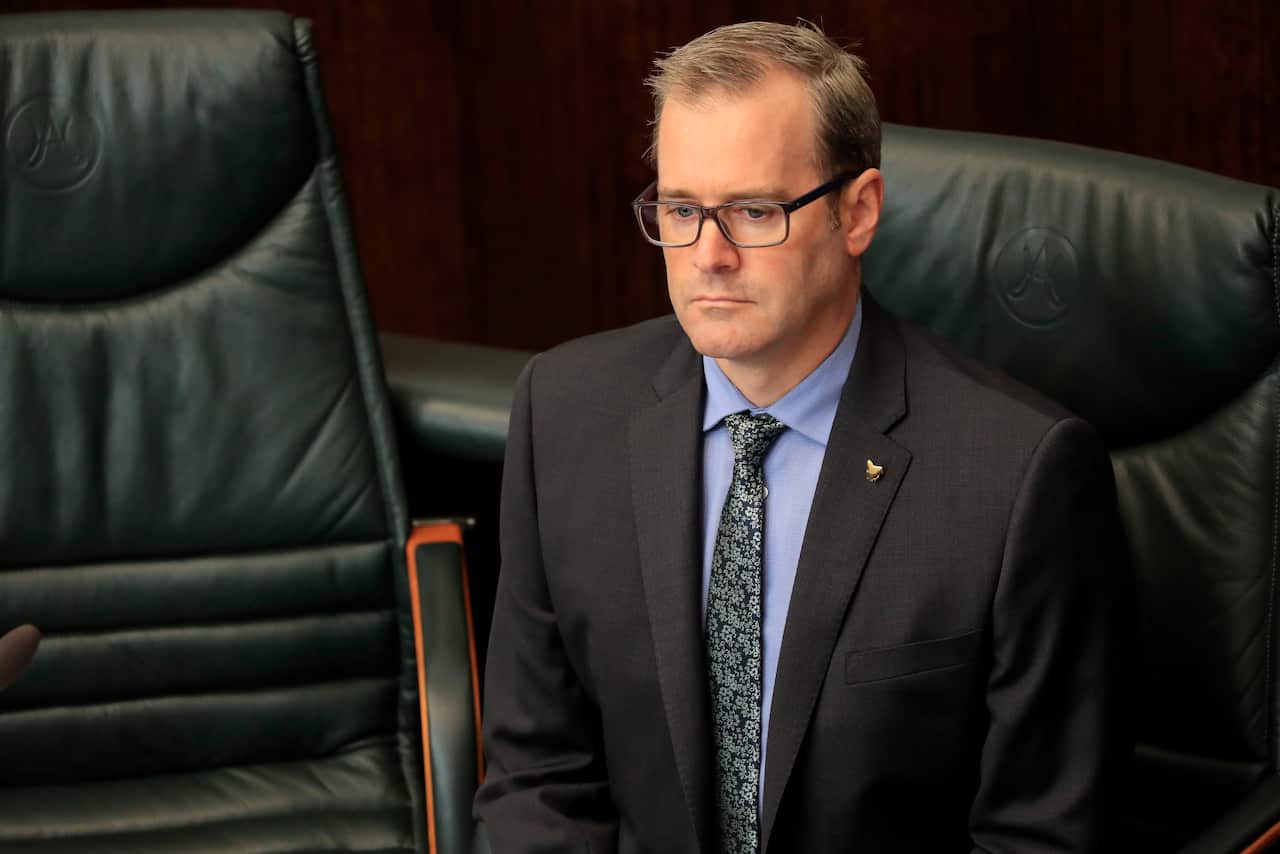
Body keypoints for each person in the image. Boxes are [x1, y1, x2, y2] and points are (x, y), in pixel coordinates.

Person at [476, 20, 1127, 853]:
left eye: (753, 211)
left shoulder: (1019, 475)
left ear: (857, 214)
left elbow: (1040, 835)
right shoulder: (565, 412)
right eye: (681, 209)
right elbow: (538, 776)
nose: (708, 255)